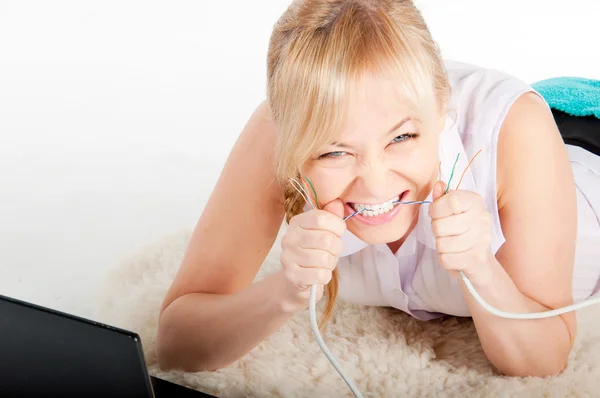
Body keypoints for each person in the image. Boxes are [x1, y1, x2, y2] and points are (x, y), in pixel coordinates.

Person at [154, 0, 600, 378]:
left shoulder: (515, 131)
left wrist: (480, 268)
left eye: (401, 138)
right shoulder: (281, 128)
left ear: (442, 110)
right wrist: (285, 291)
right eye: (334, 152)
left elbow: (544, 361)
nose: (376, 183)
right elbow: (177, 343)